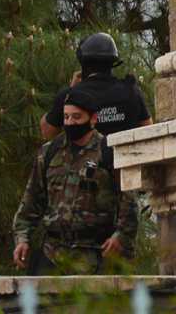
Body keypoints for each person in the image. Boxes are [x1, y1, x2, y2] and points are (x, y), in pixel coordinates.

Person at [13, 88, 138, 274]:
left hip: (96, 255)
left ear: (93, 119)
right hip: (53, 254)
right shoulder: (49, 153)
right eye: (66, 117)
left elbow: (129, 201)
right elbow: (31, 201)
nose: (70, 123)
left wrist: (120, 237)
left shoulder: (108, 153)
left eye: (77, 117)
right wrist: (22, 239)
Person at [40, 33, 153, 140]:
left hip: (88, 159)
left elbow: (47, 132)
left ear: (82, 61)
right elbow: (148, 128)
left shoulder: (70, 95)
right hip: (126, 159)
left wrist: (71, 92)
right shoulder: (131, 90)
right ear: (113, 61)